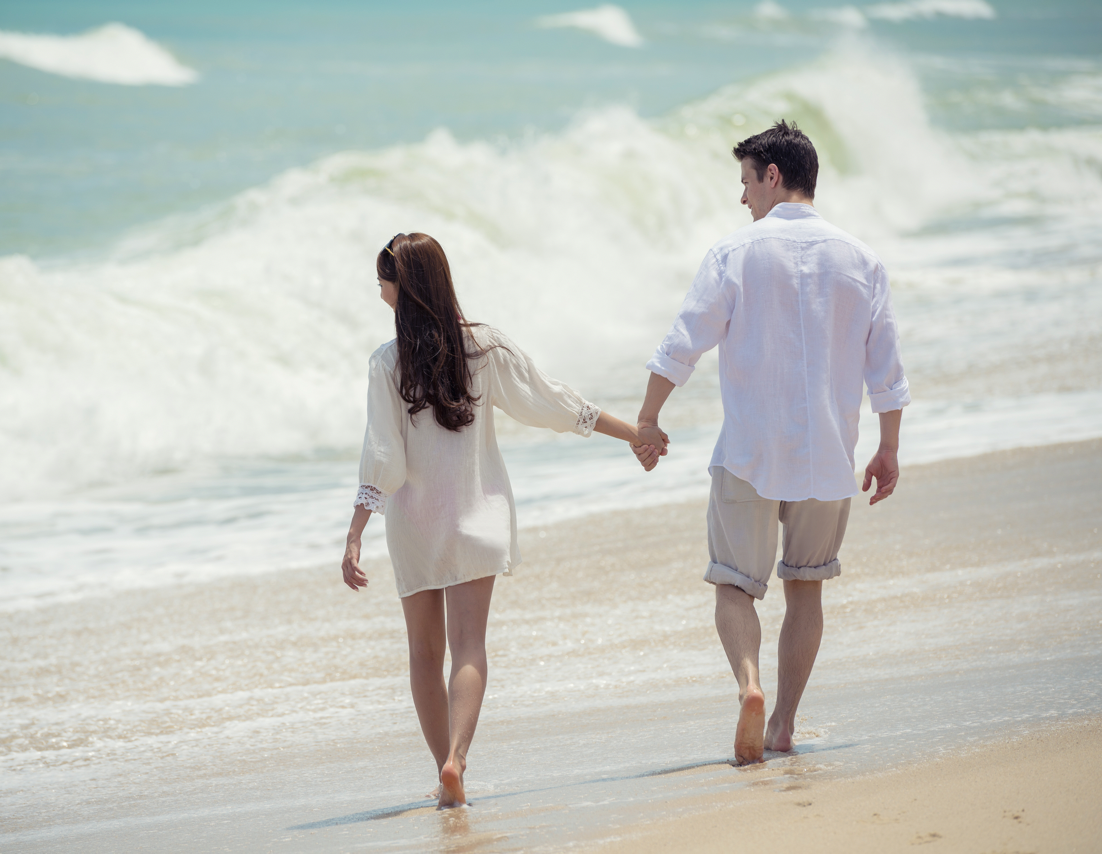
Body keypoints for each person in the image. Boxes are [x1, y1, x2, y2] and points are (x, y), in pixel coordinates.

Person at [341, 232, 663, 808]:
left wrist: (356, 529)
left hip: (416, 526)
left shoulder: (386, 363)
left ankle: (445, 776)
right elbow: (553, 403)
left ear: (405, 286)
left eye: (384, 281)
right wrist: (632, 433)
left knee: (423, 652)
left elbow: (383, 455)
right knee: (469, 646)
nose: (380, 291)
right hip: (477, 516)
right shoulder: (484, 348)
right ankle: (456, 761)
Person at [632, 121, 910, 765]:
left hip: (751, 455)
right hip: (831, 459)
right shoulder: (863, 260)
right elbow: (886, 370)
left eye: (746, 182)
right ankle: (783, 724)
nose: (743, 199)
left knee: (735, 585)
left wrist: (647, 421)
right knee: (805, 587)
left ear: (773, 176)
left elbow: (682, 344)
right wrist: (888, 446)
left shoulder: (735, 253)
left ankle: (750, 687)